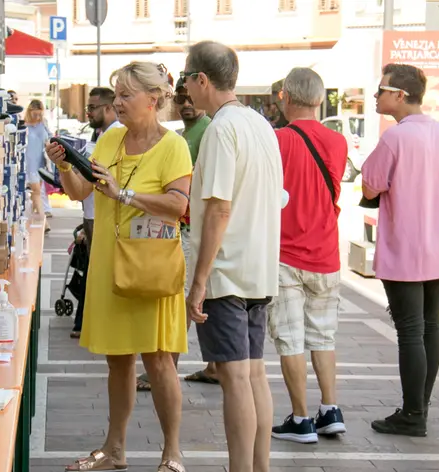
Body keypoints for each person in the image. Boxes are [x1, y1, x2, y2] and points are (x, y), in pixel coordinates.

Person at [45, 61, 192, 472]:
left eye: (127, 95)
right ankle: (114, 449)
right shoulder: (111, 140)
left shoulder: (172, 146)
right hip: (110, 264)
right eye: (117, 94)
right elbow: (80, 191)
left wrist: (123, 193)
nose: (119, 102)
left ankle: (172, 453)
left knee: (159, 360)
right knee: (118, 360)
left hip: (150, 266)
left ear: (154, 99)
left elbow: (179, 205)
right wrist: (63, 165)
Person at [184, 41, 282, 472]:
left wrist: (200, 280)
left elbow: (219, 208)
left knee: (235, 378)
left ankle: (241, 468)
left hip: (228, 271)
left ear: (202, 80)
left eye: (187, 79)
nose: (185, 90)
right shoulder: (260, 124)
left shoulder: (221, 129)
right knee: (255, 374)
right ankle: (258, 466)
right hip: (259, 266)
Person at [361, 63, 439, 437]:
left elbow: (370, 186)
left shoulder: (395, 138)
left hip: (404, 250)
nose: (376, 95)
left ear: (399, 95)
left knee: (410, 332)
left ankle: (413, 413)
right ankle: (421, 406)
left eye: (381, 90)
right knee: (430, 328)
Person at [267, 68, 348, 444]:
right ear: (319, 98)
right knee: (324, 336)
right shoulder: (337, 141)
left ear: (286, 97)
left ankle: (301, 419)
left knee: (290, 339)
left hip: (286, 253)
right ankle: (330, 410)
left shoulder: (277, 140)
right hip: (327, 254)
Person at [137, 78, 217, 391]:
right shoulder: (186, 134)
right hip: (186, 226)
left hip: (192, 228)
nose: (185, 104)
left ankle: (165, 369)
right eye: (180, 98)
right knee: (193, 301)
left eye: (190, 98)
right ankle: (213, 366)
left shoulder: (208, 131)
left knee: (180, 302)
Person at [70, 86, 124, 339]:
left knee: (100, 272)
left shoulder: (113, 136)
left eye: (92, 107)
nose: (88, 112)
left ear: (108, 108)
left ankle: (102, 325)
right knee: (95, 271)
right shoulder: (104, 136)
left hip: (102, 216)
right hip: (93, 213)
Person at [24, 100, 53, 231]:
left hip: (41, 163)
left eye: (39, 114)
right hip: (28, 163)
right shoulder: (24, 126)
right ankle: (43, 222)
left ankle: (33, 222)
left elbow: (50, 138)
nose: (37, 117)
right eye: (35, 114)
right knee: (36, 193)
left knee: (36, 194)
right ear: (30, 112)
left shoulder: (43, 124)